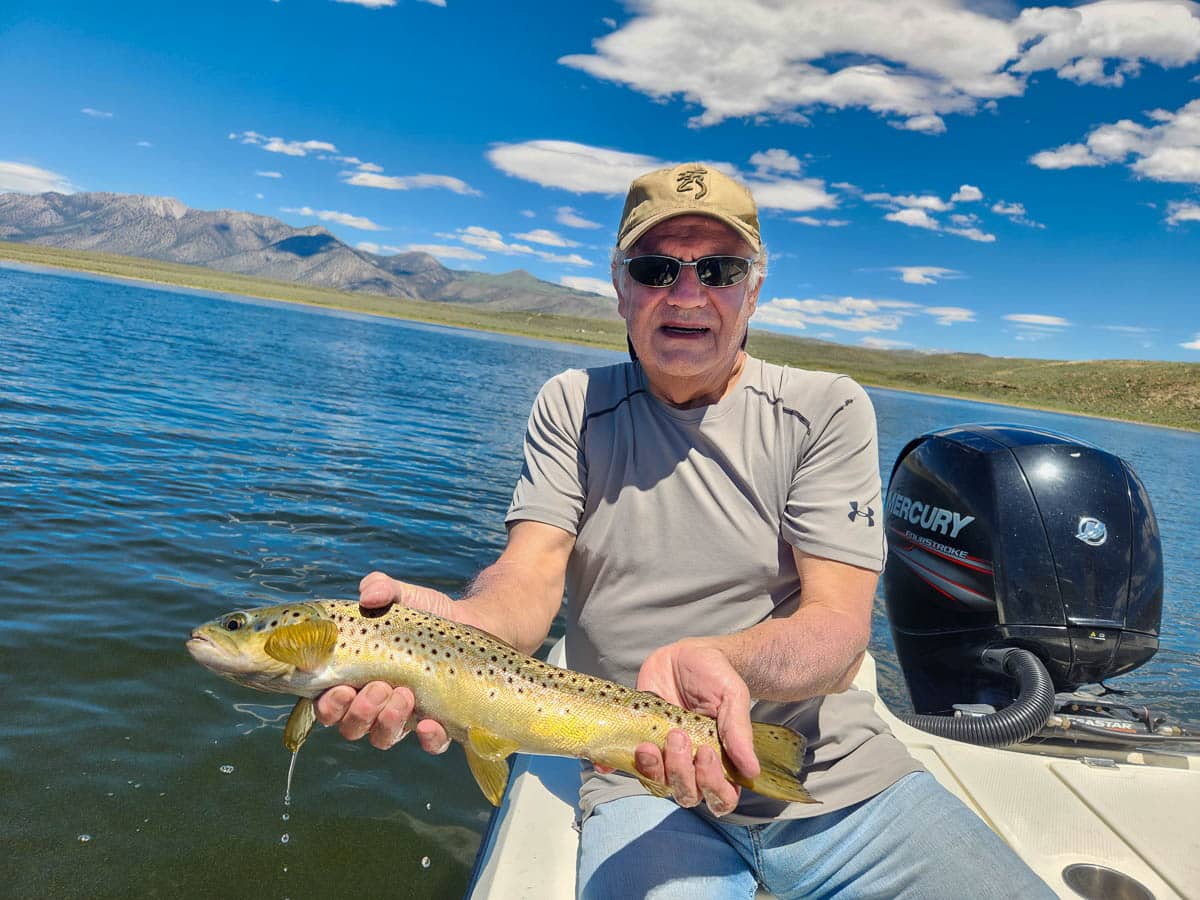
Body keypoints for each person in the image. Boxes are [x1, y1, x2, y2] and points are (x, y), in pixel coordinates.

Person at [315, 164, 1053, 898]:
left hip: (831, 772)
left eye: (719, 269)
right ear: (620, 286)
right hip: (635, 770)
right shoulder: (571, 405)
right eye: (657, 267)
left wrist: (724, 664)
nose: (687, 294)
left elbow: (837, 627)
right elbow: (530, 573)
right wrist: (464, 628)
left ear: (753, 289)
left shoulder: (827, 409)